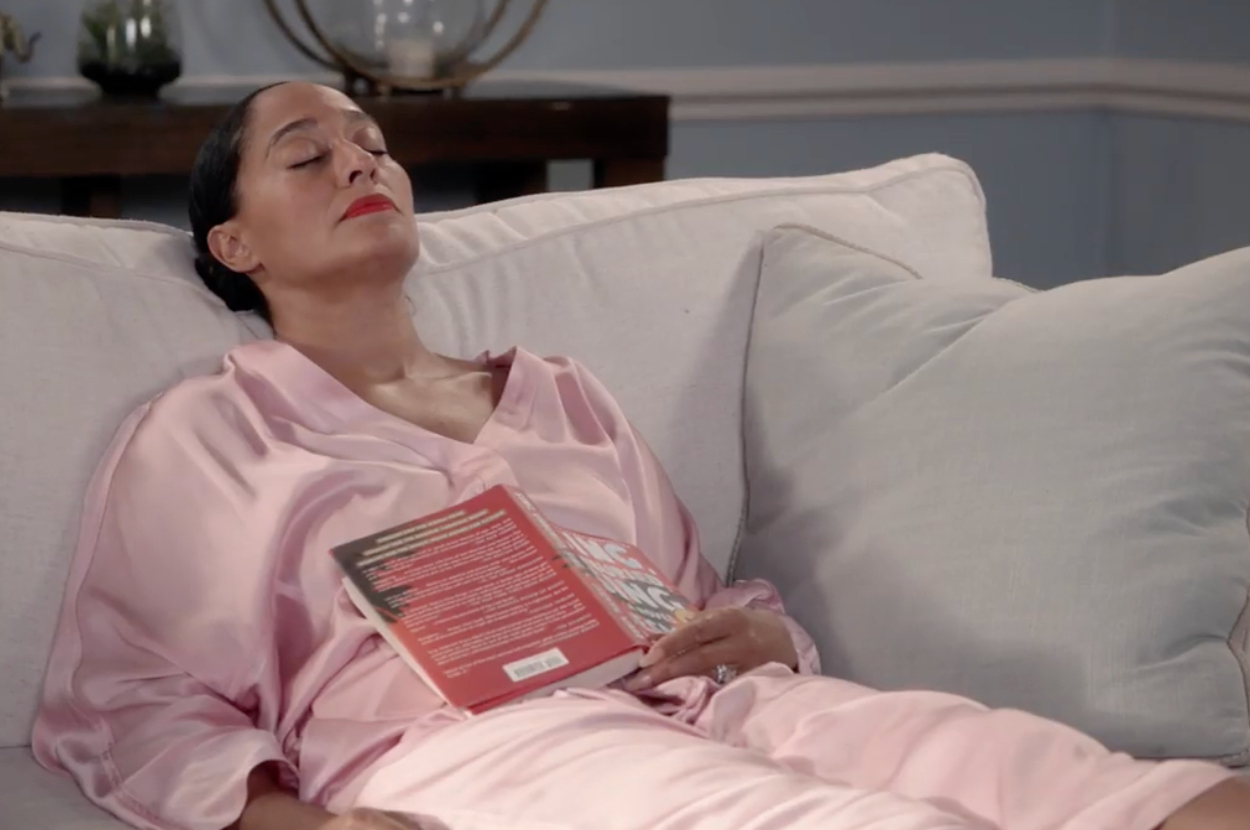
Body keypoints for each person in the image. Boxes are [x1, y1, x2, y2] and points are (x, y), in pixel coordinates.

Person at [31, 82, 1249, 830]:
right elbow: (128, 702)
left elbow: (695, 593)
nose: (361, 161)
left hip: (713, 698)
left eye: (374, 143)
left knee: (1053, 773)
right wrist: (301, 825)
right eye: (308, 155)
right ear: (233, 242)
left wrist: (759, 634)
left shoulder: (559, 392)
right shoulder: (210, 435)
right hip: (481, 747)